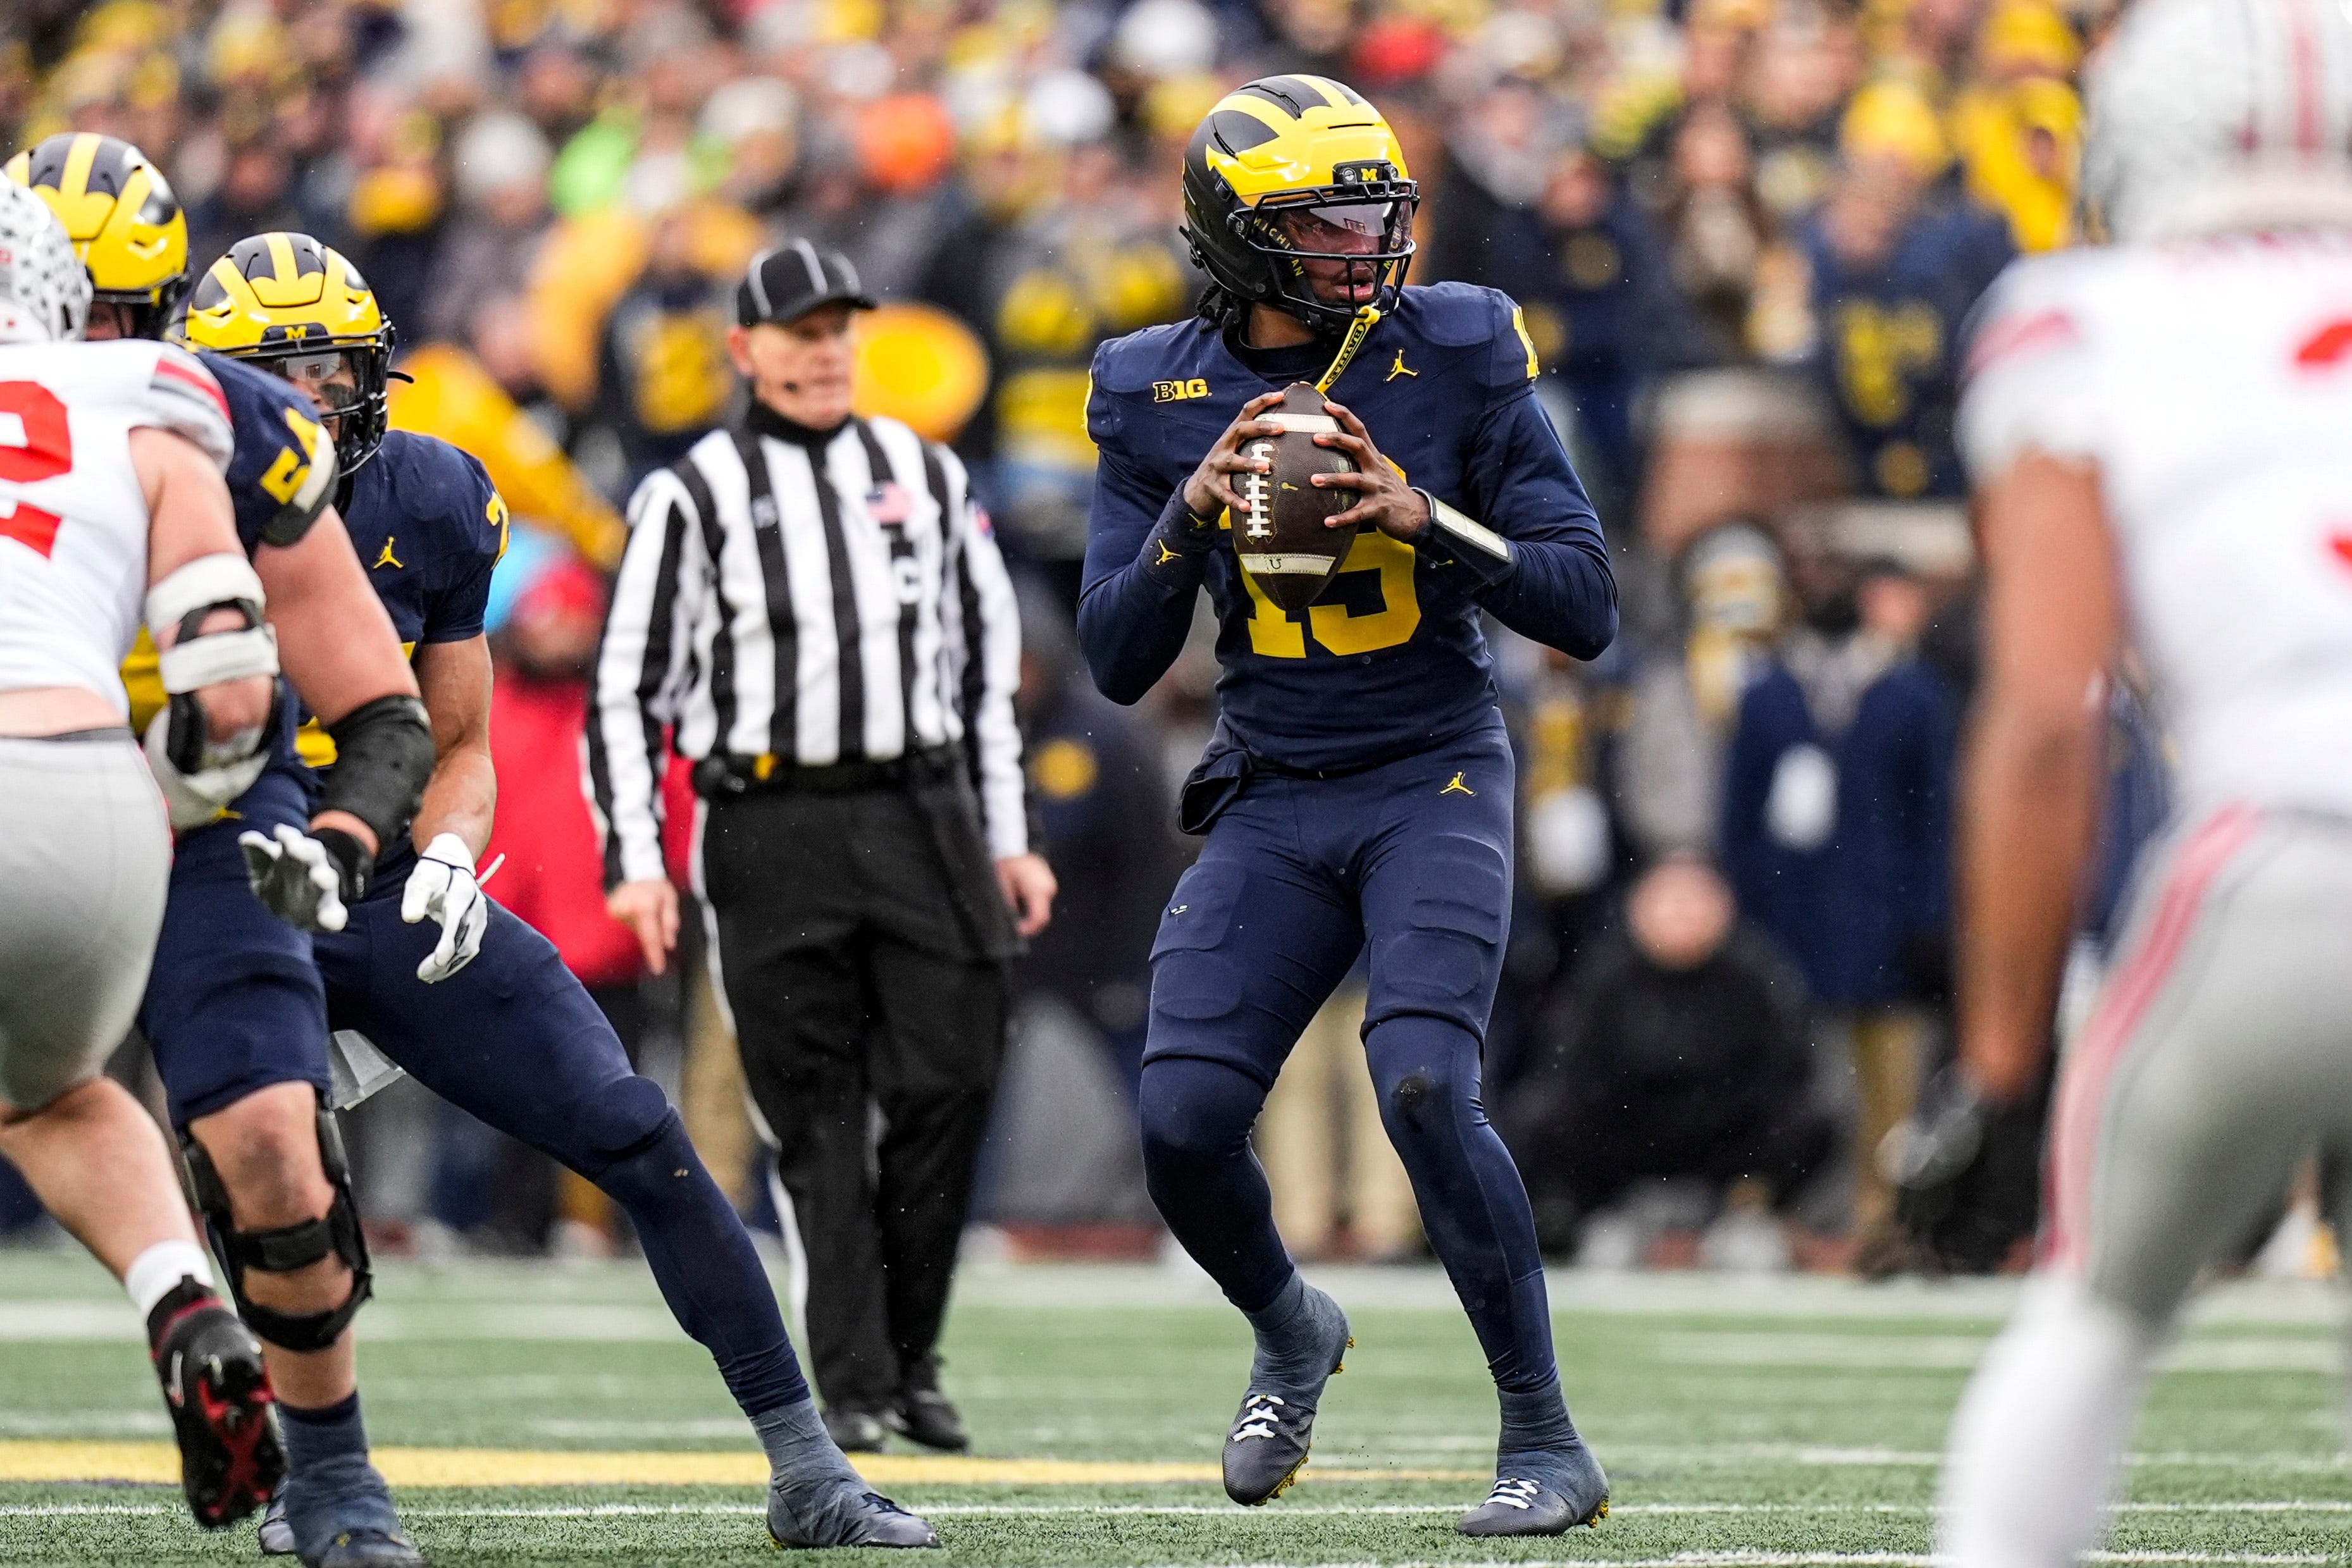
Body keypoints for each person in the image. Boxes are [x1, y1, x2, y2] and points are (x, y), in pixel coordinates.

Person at [175, 231, 937, 1557]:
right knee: (274, 1186)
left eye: (335, 366)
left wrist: (457, 854)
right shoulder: (154, 500)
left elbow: (458, 745)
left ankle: (808, 1465)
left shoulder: (426, 496)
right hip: (219, 881)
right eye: (277, 371)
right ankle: (324, 1484)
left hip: (383, 876)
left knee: (636, 1130)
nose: (313, 397)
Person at [1078, 75, 1618, 1536]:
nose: (1370, 241)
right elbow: (1117, 659)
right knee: (1183, 1121)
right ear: (1239, 240)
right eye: (1330, 219)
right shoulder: (1151, 387)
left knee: (1429, 1084)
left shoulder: (1454, 350)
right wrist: (1191, 513)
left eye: (1381, 207)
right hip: (1270, 788)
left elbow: (1586, 606)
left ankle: (1543, 1436)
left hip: (1430, 767)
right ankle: (1291, 1325)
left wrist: (1421, 515)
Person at [1917, 0, 2352, 1559]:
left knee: (2096, 1314)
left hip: (2283, 862)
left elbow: (2048, 716)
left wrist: (1996, 1069)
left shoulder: (2086, 315)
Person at [9, 133, 442, 1568]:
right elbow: (268, 681)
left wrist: (333, 834)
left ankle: (332, 1480)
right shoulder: (200, 411)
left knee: (265, 1134)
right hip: (126, 781)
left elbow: (380, 711)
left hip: (201, 808)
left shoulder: (211, 412)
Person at [591, 241, 1056, 1457]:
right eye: (798, 332)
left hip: (924, 811)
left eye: (839, 328)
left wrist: (1008, 833)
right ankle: (856, 1378)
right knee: (815, 1113)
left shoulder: (926, 470)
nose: (823, 350)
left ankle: (909, 1346)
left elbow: (981, 671)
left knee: (952, 1071)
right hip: (769, 820)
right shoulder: (689, 492)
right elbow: (626, 689)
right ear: (743, 350)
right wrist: (636, 855)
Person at [0, 180, 287, 1534]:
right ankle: (185, 1305)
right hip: (89, 788)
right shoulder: (146, 403)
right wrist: (150, 807)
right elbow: (232, 689)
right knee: (53, 1093)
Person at [1501, 855, 1832, 1252]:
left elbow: (1790, 1072)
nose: (1681, 915)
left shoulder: (1759, 975)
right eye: (1668, 901)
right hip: (1623, 1142)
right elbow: (1566, 1072)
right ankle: (1582, 1217)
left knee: (1817, 1116)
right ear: (1637, 906)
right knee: (1534, 1117)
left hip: (1727, 1142)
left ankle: (1751, 1212)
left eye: (1694, 901)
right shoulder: (1603, 975)